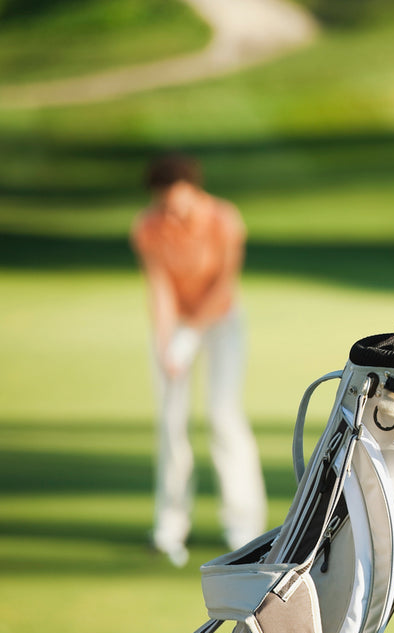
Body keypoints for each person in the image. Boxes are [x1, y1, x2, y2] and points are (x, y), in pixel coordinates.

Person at [131, 153, 267, 567]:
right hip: (176, 328)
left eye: (179, 203)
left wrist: (191, 335)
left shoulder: (225, 219)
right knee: (171, 423)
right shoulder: (147, 227)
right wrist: (166, 342)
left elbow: (224, 284)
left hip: (222, 323)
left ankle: (245, 528)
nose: (172, 212)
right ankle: (168, 528)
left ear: (194, 190)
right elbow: (159, 288)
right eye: (165, 204)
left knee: (223, 414)